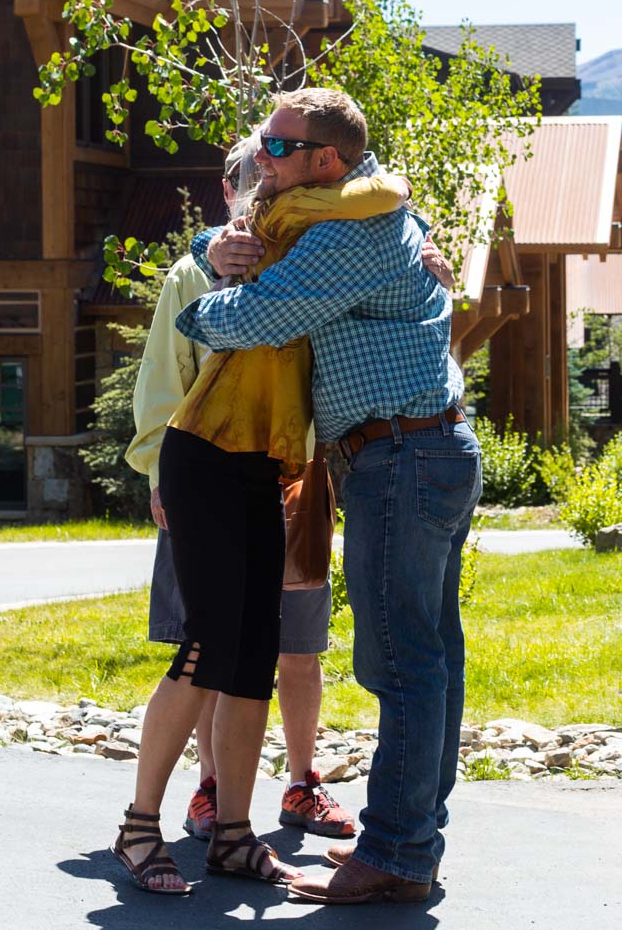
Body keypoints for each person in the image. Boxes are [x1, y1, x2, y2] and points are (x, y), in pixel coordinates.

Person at [179, 88, 482, 906]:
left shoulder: (351, 228)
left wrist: (196, 309)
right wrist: (216, 242)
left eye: (276, 148)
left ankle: (394, 854)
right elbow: (261, 238)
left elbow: (259, 317)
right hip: (425, 449)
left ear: (325, 160)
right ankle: (414, 846)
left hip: (401, 456)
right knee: (431, 658)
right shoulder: (361, 208)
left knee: (401, 662)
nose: (261, 158)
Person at [111, 132, 417, 897]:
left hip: (271, 468)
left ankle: (235, 836)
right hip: (204, 455)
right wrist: (218, 244)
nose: (273, 172)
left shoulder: (315, 248)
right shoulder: (245, 242)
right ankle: (138, 829)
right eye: (265, 163)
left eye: (285, 156)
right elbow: (383, 190)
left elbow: (382, 195)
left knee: (254, 654)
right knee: (207, 648)